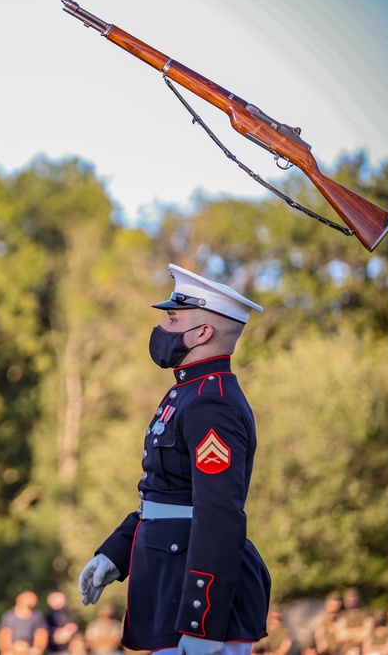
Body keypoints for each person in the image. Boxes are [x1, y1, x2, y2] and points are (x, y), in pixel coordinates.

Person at [78, 263, 271, 655]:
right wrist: (115, 554)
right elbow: (167, 493)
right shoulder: (187, 394)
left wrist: (203, 622)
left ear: (203, 332)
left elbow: (218, 514)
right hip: (169, 578)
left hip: (193, 594)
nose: (162, 329)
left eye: (172, 319)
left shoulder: (211, 401)